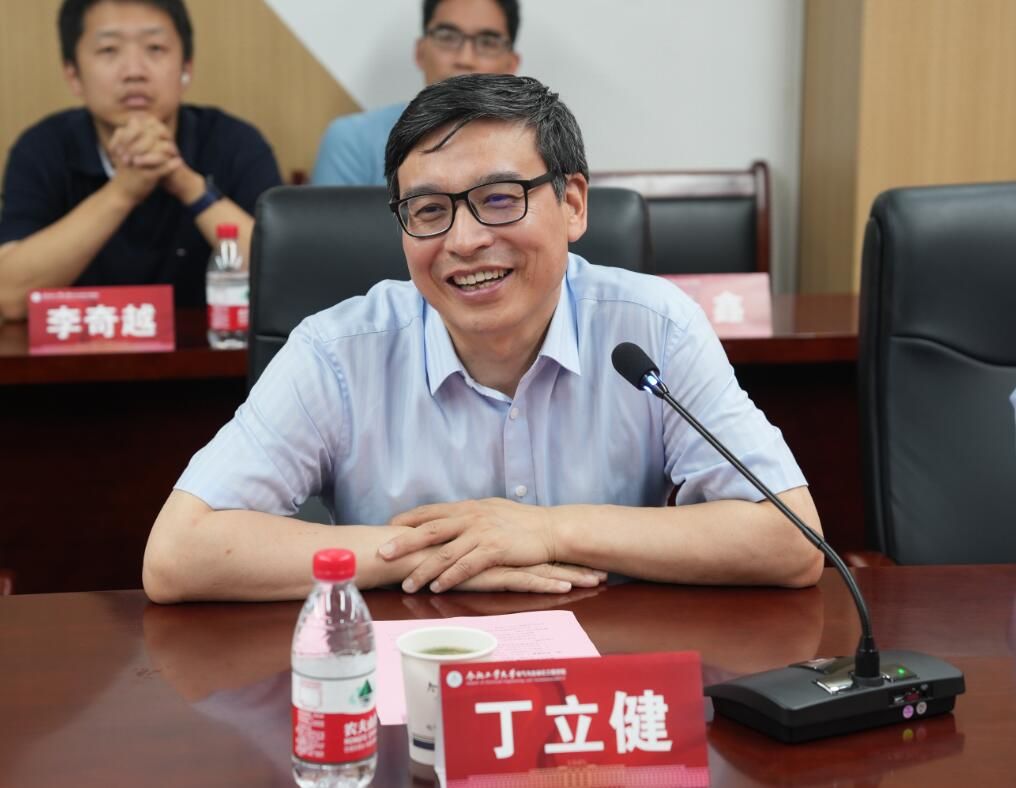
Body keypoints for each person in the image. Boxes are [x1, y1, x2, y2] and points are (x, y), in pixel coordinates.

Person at [143, 73, 824, 604]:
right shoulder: (339, 351)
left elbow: (790, 538)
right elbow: (179, 553)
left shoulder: (654, 327)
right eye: (428, 210)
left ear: (573, 204)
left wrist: (550, 531)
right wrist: (440, 553)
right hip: (413, 674)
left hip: (603, 685)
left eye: (499, 199)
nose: (464, 241)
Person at [0, 0, 282, 320]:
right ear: (73, 74)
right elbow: (8, 297)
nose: (134, 72)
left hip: (212, 351)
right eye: (109, 50)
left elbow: (287, 279)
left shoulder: (235, 142)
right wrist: (123, 191)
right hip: (79, 351)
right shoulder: (42, 149)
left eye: (155, 48)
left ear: (186, 68)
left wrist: (186, 183)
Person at [311, 0, 520, 186]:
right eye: (447, 37)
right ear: (420, 52)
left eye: (487, 42)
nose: (465, 59)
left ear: (511, 64)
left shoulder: (531, 145)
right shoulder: (354, 141)